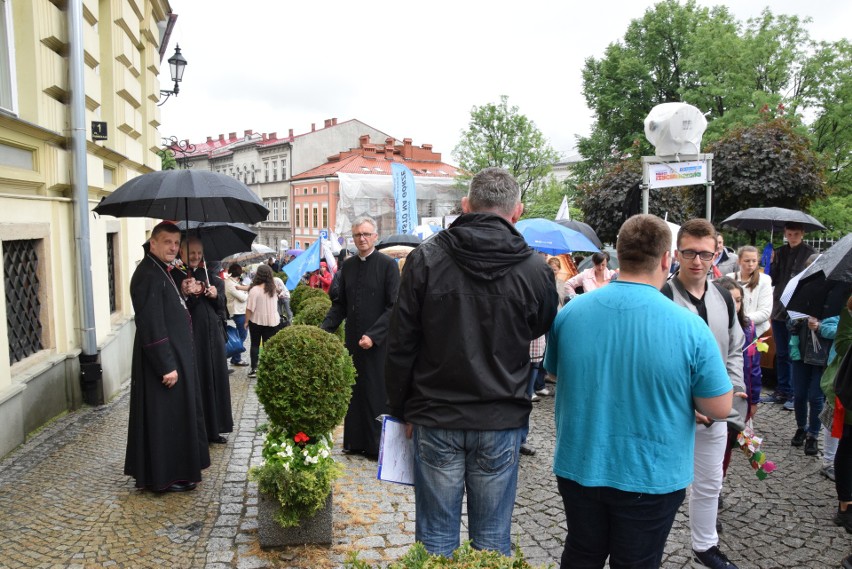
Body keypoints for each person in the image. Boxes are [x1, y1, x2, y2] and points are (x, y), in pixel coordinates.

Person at [385, 167, 559, 557]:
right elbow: (540, 327)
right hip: (499, 416)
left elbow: (400, 344)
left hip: (435, 414)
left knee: (435, 542)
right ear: (517, 212)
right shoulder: (535, 270)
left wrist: (400, 409)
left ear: (465, 206)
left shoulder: (425, 258)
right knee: (492, 543)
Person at [545, 214, 732, 569]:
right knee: (637, 562)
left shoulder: (570, 313)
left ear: (619, 254)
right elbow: (719, 406)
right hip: (651, 473)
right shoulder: (689, 325)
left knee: (582, 552)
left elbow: (554, 371)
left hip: (580, 462)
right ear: (667, 259)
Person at [662, 218, 744, 569]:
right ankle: (649, 547)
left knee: (711, 482)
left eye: (706, 254)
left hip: (716, 412)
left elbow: (735, 348)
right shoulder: (662, 296)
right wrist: (684, 404)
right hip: (670, 415)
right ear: (677, 253)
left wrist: (733, 390)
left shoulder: (723, 296)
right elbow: (653, 362)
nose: (697, 261)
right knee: (663, 489)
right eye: (690, 253)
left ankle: (705, 544)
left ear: (716, 254)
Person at [124, 221, 210, 493]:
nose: (173, 247)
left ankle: (176, 471)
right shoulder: (148, 274)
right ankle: (166, 475)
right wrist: (166, 366)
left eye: (176, 243)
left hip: (175, 357)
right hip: (163, 363)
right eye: (167, 242)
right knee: (166, 420)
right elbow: (151, 324)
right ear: (153, 244)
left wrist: (182, 290)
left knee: (175, 417)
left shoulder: (161, 270)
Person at [321, 216, 400, 457]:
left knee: (376, 393)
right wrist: (323, 331)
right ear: (353, 238)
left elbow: (394, 306)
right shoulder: (349, 266)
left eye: (366, 234)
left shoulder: (387, 265)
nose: (362, 239)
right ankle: (355, 442)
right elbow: (340, 304)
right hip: (353, 342)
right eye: (357, 235)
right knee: (353, 393)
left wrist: (373, 336)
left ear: (375, 236)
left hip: (378, 344)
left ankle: (377, 447)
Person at [173, 237, 233, 444]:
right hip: (192, 339)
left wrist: (216, 295)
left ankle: (215, 428)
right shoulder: (177, 276)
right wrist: (186, 294)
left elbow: (222, 309)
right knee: (198, 381)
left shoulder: (212, 277)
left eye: (199, 253)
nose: (196, 257)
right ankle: (197, 431)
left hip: (212, 338)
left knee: (214, 380)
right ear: (182, 253)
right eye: (191, 253)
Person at [714, 277, 762, 478]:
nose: (735, 304)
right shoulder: (709, 325)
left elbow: (754, 366)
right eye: (729, 299)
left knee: (730, 442)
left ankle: (719, 483)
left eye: (739, 300)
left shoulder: (748, 326)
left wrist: (754, 398)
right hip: (715, 395)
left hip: (740, 395)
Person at [769, 222, 817, 406]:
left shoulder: (809, 253)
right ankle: (783, 390)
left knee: (794, 353)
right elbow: (772, 278)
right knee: (781, 353)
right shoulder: (780, 252)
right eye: (790, 234)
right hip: (779, 307)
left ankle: (795, 394)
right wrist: (771, 261)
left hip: (797, 309)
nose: (793, 237)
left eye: (796, 234)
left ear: (802, 234)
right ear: (785, 234)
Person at [821, 295, 852, 546]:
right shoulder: (848, 311)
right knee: (848, 448)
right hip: (850, 394)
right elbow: (843, 347)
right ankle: (845, 504)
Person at [245, 264, 281, 378]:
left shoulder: (255, 290)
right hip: (272, 321)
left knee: (255, 344)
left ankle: (254, 368)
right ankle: (269, 368)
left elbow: (249, 308)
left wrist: (246, 321)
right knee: (268, 345)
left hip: (256, 320)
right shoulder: (273, 289)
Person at [728, 246, 772, 337]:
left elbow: (765, 312)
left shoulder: (764, 280)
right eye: (747, 261)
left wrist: (742, 319)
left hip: (758, 333)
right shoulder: (729, 278)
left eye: (754, 261)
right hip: (733, 331)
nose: (751, 264)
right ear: (739, 261)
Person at [224, 263, 250, 367]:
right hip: (238, 312)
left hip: (240, 311)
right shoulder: (230, 284)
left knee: (240, 334)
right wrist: (247, 292)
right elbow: (243, 298)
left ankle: (236, 357)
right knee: (242, 335)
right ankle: (235, 357)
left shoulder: (232, 282)